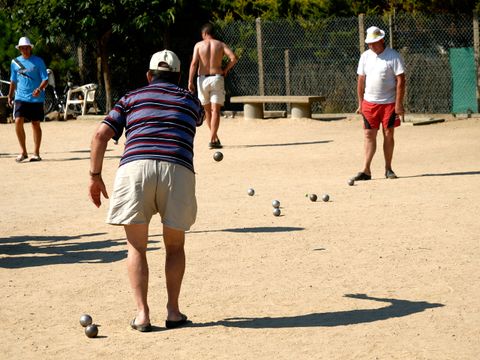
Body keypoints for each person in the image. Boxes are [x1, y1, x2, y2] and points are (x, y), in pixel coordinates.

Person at [89, 50, 204, 332]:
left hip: (135, 169)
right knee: (175, 246)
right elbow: (199, 118)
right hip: (176, 169)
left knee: (137, 246)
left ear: (148, 76)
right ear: (178, 77)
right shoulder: (189, 100)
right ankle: (173, 311)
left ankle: (142, 315)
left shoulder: (130, 98)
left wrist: (95, 176)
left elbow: (100, 135)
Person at [353, 26, 406, 181]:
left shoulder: (393, 56)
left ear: (382, 40)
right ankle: (366, 170)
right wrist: (360, 103)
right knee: (369, 134)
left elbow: (401, 80)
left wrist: (398, 104)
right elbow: (361, 80)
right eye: (369, 43)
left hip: (389, 103)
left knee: (388, 134)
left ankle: (388, 168)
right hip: (370, 103)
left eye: (374, 42)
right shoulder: (365, 57)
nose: (371, 46)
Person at [188, 23, 237, 149]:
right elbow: (233, 58)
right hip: (216, 78)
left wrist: (190, 81)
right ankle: (213, 138)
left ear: (204, 34)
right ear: (212, 33)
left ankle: (213, 137)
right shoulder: (220, 44)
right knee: (216, 110)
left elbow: (194, 63)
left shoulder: (198, 45)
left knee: (207, 111)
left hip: (202, 80)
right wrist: (226, 69)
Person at [8, 36, 49, 162]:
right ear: (19, 49)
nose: (25, 50)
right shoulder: (15, 62)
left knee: (35, 124)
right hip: (20, 97)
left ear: (30, 48)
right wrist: (10, 95)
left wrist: (39, 89)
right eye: (23, 48)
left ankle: (36, 153)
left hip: (36, 98)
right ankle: (23, 151)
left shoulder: (38, 61)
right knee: (18, 121)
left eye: (27, 47)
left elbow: (45, 79)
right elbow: (13, 80)